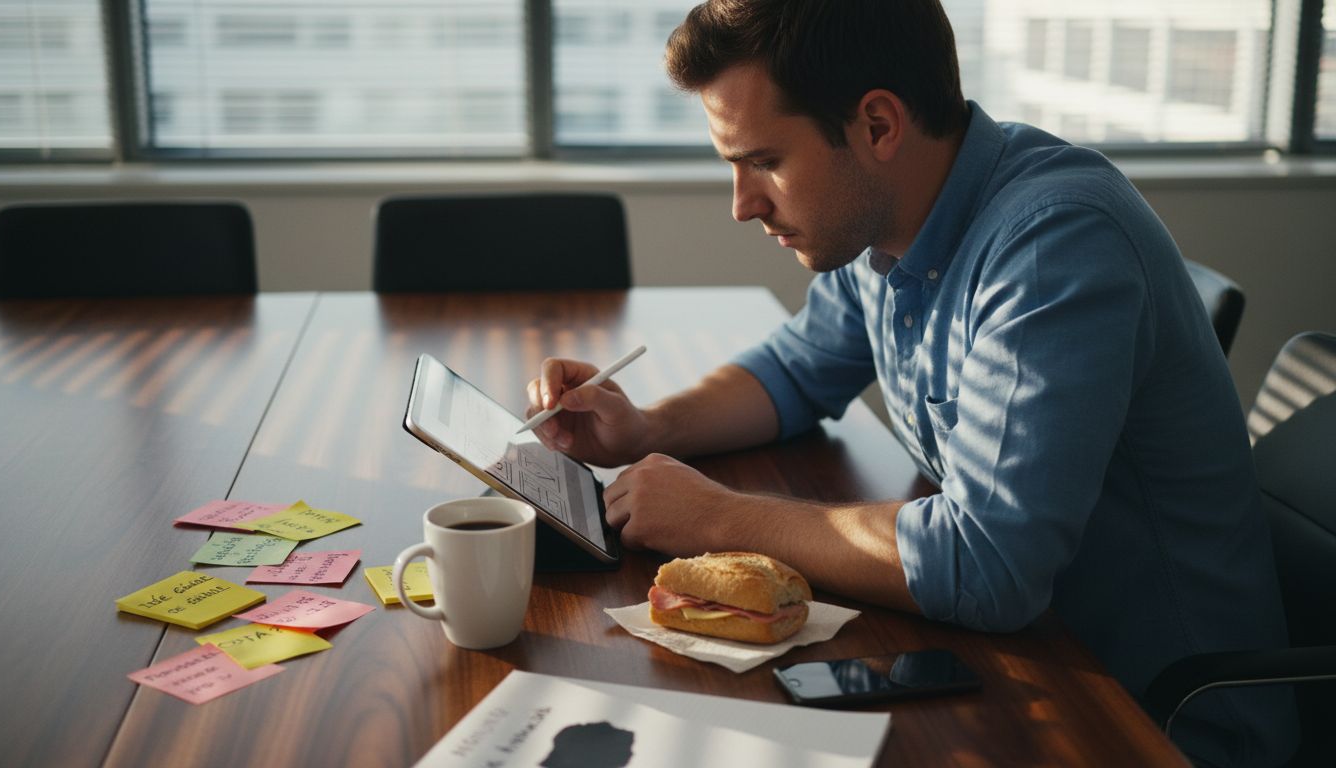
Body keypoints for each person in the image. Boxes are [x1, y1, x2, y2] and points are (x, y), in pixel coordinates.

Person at [525, 1, 1294, 765]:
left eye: (764, 161)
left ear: (879, 126)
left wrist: (720, 520)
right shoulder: (885, 221)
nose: (742, 204)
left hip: (1154, 721)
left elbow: (990, 565)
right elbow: (798, 369)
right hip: (1023, 664)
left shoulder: (1052, 245)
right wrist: (650, 428)